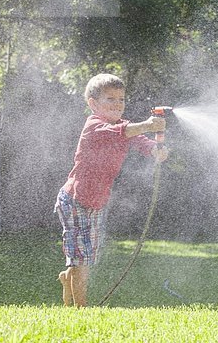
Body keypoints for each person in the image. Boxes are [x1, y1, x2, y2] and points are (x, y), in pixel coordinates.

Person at [55, 73, 169, 307]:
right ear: (93, 104)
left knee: (88, 255)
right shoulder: (94, 126)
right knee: (81, 259)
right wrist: (147, 125)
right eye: (111, 99)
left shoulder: (121, 126)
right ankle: (81, 309)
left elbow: (139, 140)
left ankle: (68, 278)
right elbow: (124, 133)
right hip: (74, 200)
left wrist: (156, 151)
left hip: (97, 202)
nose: (118, 104)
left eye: (121, 99)